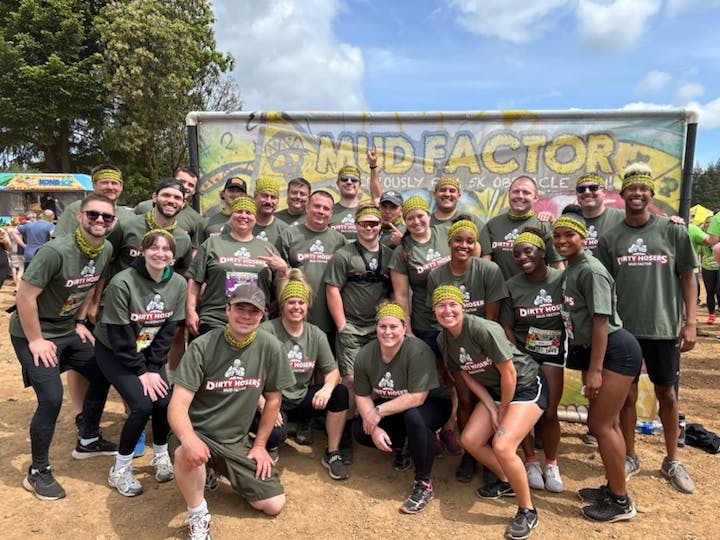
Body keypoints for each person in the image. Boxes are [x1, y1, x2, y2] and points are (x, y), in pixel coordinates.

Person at [10, 194, 119, 501]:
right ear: (80, 217)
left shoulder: (105, 248)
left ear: (113, 223)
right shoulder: (55, 251)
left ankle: (88, 439)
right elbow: (24, 297)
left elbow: (90, 283)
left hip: (67, 329)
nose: (100, 221)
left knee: (103, 372)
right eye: (94, 215)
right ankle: (38, 471)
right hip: (33, 332)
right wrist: (36, 340)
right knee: (51, 398)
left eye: (106, 217)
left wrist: (81, 321)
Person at [596, 163, 697, 494]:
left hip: (664, 328)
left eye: (643, 189)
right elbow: (603, 284)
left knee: (667, 394)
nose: (637, 194)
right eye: (631, 189)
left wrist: (690, 322)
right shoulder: (611, 238)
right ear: (622, 194)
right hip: (624, 331)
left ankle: (671, 459)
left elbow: (687, 277)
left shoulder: (672, 231)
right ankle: (630, 455)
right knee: (627, 397)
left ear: (651, 194)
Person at [168, 284, 295, 538]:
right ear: (227, 309)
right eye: (240, 308)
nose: (246, 316)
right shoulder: (203, 346)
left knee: (273, 504)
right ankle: (198, 514)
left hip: (235, 440)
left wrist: (259, 445)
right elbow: (177, 405)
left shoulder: (270, 347)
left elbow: (273, 400)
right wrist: (189, 438)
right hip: (199, 432)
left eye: (253, 311)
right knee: (185, 452)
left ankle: (215, 467)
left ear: (262, 316)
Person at [433, 285, 547, 539]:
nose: (447, 310)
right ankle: (508, 481)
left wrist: (503, 409)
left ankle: (527, 510)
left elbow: (510, 373)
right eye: (441, 306)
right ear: (434, 311)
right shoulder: (444, 339)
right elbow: (465, 375)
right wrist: (489, 405)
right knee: (470, 440)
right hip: (495, 392)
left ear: (463, 307)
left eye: (453, 304)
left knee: (503, 445)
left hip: (525, 386)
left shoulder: (483, 329)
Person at [553, 205, 642, 522]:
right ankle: (613, 487)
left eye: (569, 235)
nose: (562, 240)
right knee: (610, 423)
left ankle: (621, 502)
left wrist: (594, 371)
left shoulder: (590, 270)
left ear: (584, 238)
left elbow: (601, 323)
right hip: (602, 352)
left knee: (600, 425)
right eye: (558, 235)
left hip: (615, 351)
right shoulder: (572, 268)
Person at [93, 230, 187, 496]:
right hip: (114, 349)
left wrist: (153, 366)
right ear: (142, 251)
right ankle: (120, 469)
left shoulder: (178, 283)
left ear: (173, 255)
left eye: (166, 249)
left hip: (148, 350)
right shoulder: (123, 282)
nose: (160, 253)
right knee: (141, 405)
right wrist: (142, 371)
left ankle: (160, 455)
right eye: (153, 247)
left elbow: (169, 329)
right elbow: (120, 336)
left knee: (164, 401)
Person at [353, 302, 452, 514]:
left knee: (415, 418)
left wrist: (376, 413)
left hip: (432, 403)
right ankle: (405, 446)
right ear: (376, 328)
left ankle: (423, 483)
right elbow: (361, 395)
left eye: (393, 327)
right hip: (396, 405)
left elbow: (417, 397)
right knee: (361, 431)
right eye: (382, 326)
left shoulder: (418, 350)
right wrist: (375, 426)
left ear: (404, 328)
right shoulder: (365, 355)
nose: (388, 332)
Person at [427, 217, 508, 457]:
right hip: (456, 346)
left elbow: (491, 319)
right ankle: (469, 455)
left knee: (493, 400)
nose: (464, 245)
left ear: (476, 245)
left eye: (470, 241)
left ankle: (493, 449)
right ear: (449, 242)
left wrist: (482, 353)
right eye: (458, 240)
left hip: (485, 345)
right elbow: (440, 318)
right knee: (465, 399)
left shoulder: (488, 270)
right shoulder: (436, 275)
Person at [260, 270, 350, 480]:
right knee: (277, 435)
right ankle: (266, 446)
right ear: (282, 304)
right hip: (273, 401)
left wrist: (327, 388)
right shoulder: (266, 331)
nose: (296, 307)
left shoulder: (315, 334)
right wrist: (262, 403)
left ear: (307, 305)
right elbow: (250, 374)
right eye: (291, 302)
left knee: (340, 392)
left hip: (300, 399)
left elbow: (332, 371)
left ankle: (333, 452)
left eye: (301, 302)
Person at [325, 204, 393, 462]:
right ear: (355, 225)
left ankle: (373, 428)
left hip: (380, 328)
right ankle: (343, 437)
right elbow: (332, 289)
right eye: (364, 224)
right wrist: (342, 325)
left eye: (374, 224)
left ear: (380, 226)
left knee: (378, 380)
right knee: (351, 381)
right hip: (352, 326)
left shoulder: (389, 254)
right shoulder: (344, 255)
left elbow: (396, 289)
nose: (369, 228)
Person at [501, 228, 566, 493]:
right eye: (517, 254)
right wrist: (519, 358)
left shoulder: (561, 280)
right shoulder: (512, 286)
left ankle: (551, 462)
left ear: (542, 252)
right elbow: (506, 327)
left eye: (528, 251)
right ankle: (529, 461)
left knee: (549, 411)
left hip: (552, 353)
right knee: (523, 409)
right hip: (523, 354)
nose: (522, 257)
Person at [186, 195, 287, 336]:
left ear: (255, 217)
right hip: (215, 319)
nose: (243, 216)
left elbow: (277, 287)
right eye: (239, 211)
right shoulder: (212, 244)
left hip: (253, 321)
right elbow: (195, 280)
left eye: (249, 212)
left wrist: (283, 270)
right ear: (231, 215)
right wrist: (190, 310)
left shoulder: (267, 248)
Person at [275, 190, 347, 337]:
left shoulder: (340, 241)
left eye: (326, 208)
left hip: (328, 318)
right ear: (307, 207)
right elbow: (277, 279)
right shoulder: (289, 235)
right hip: (295, 317)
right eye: (317, 206)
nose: (321, 211)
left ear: (331, 214)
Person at [480, 175, 563, 278]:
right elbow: (485, 266)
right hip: (500, 293)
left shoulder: (544, 225)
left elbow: (557, 265)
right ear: (509, 195)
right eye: (515, 191)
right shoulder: (492, 225)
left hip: (535, 292)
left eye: (526, 192)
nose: (520, 196)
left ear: (535, 198)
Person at [135, 167, 203, 245]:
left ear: (194, 191)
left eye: (191, 185)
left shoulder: (196, 219)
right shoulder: (143, 207)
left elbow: (193, 250)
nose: (185, 186)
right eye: (182, 181)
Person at [194, 176, 248, 246]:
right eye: (231, 190)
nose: (235, 194)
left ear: (245, 196)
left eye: (239, 191)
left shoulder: (251, 222)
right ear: (223, 193)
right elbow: (196, 251)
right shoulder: (207, 222)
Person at [329, 165, 364, 241]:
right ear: (338, 184)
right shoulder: (328, 211)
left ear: (359, 184)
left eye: (354, 180)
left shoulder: (365, 211)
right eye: (344, 179)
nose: (349, 182)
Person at [252, 177, 289, 244]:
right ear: (255, 198)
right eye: (265, 196)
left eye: (273, 197)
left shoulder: (285, 230)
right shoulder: (243, 225)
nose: (269, 201)